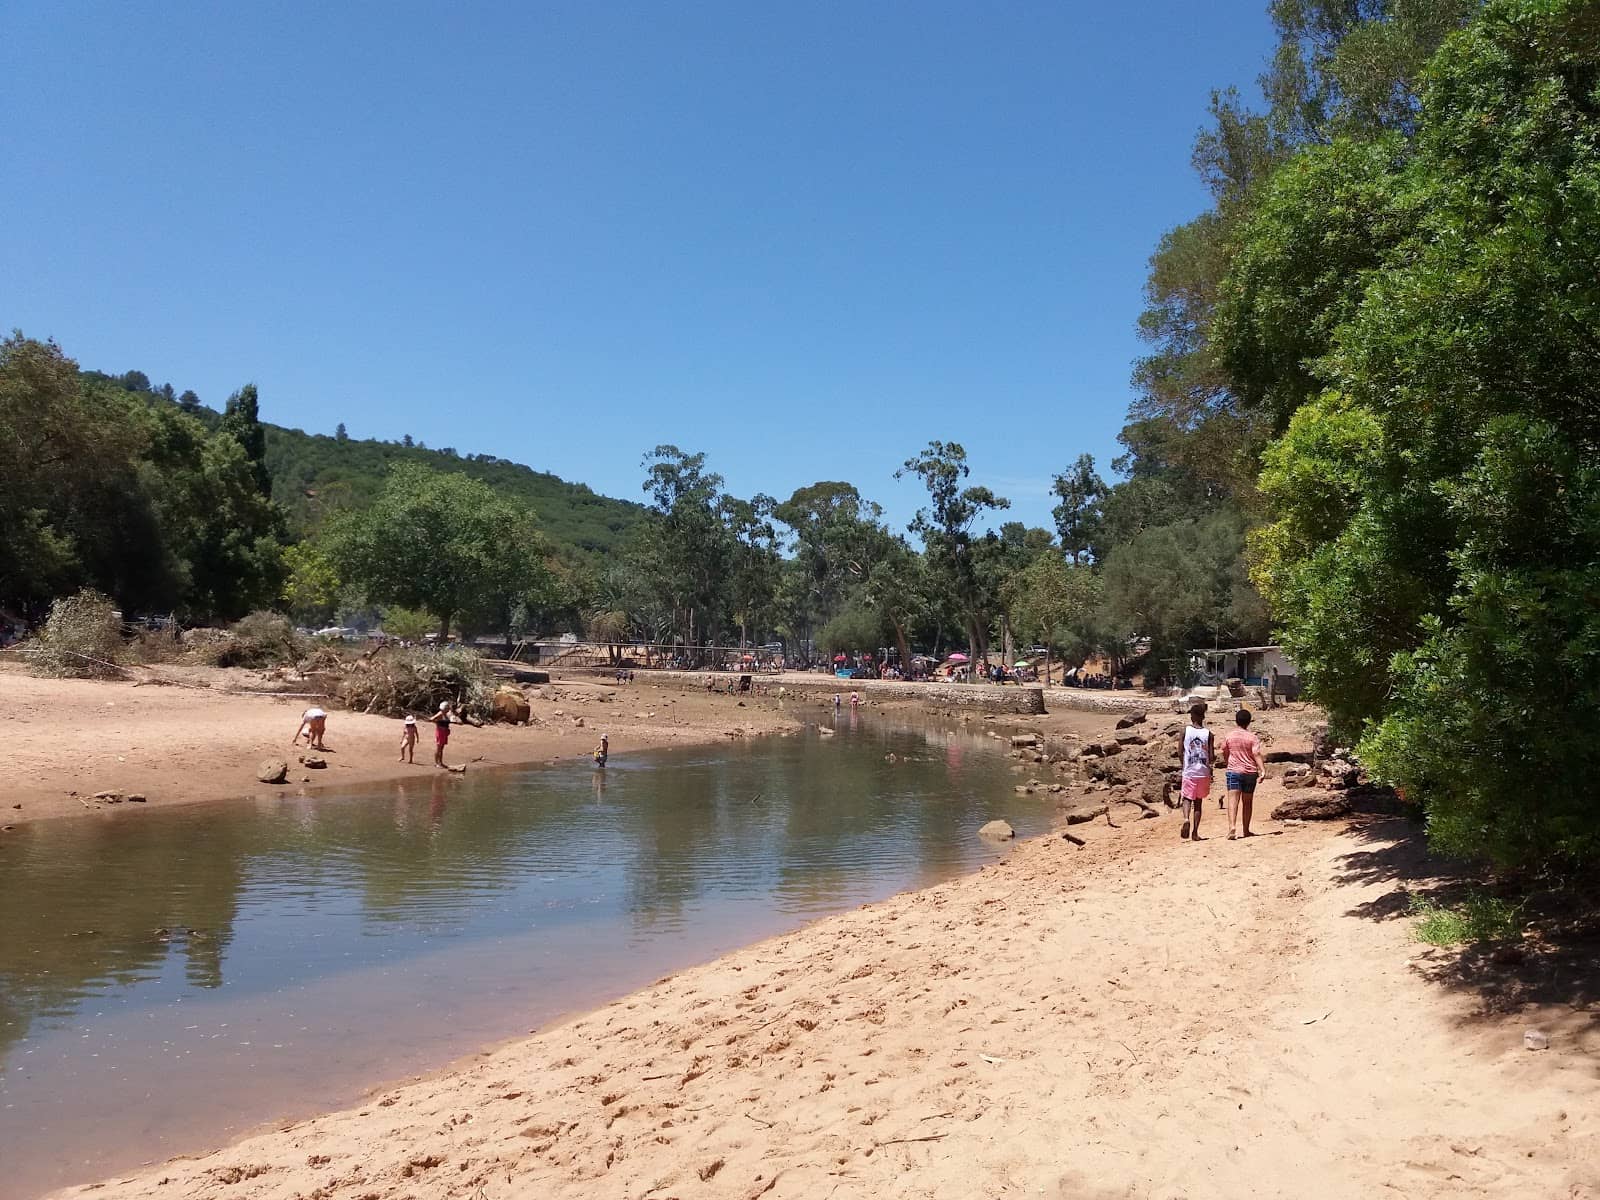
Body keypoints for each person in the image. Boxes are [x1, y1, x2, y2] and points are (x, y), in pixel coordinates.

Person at [1222, 709, 1268, 839]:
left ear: (1236, 721)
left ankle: (1232, 827)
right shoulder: (1252, 737)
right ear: (1249, 722)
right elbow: (1256, 754)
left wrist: (1227, 762)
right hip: (1250, 772)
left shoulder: (1229, 736)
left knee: (1232, 800)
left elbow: (1224, 750)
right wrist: (1262, 770)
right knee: (1247, 802)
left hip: (1233, 771)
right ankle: (1246, 830)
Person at [1178, 701, 1214, 840]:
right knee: (1198, 802)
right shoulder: (1209, 734)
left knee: (1187, 798)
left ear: (1192, 716)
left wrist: (1184, 764)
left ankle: (1186, 818)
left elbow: (1180, 751)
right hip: (1203, 772)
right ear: (1203, 717)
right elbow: (1211, 757)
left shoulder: (1185, 731)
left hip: (1189, 770)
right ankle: (1195, 833)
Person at [427, 700, 456, 768]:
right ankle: (437, 763)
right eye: (447, 708)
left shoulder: (447, 714)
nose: (448, 709)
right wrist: (437, 723)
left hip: (444, 732)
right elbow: (431, 719)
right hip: (440, 732)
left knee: (441, 748)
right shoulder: (440, 713)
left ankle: (441, 762)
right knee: (439, 747)